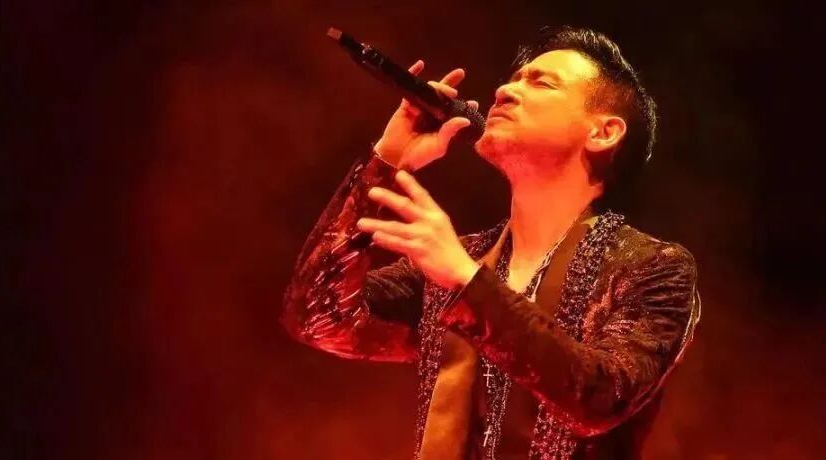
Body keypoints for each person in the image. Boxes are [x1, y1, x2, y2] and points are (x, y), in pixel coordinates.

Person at [282, 25, 701, 460]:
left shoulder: (653, 267)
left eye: (541, 82)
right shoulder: (453, 261)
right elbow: (315, 319)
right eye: (513, 78)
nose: (503, 90)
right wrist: (386, 160)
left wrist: (469, 282)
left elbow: (599, 400)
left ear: (604, 132)